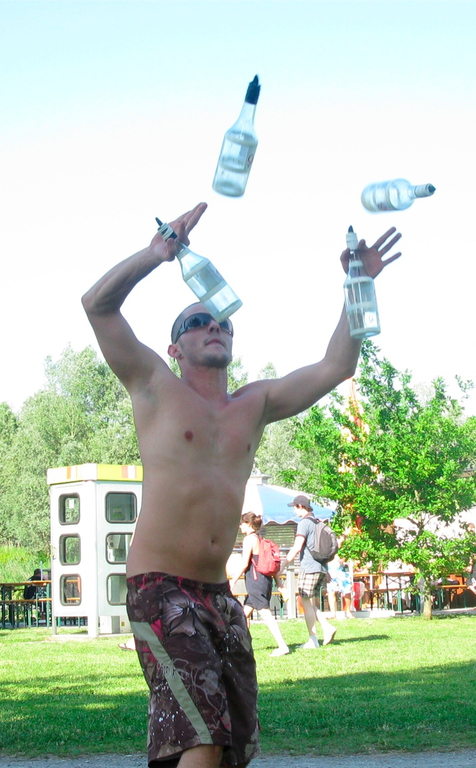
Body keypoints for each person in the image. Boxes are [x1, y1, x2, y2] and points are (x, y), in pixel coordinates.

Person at [82, 201, 401, 767]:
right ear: (175, 348)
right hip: (160, 587)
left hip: (219, 597)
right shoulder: (153, 383)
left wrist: (359, 284)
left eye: (222, 323)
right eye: (197, 323)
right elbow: (96, 305)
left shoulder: (255, 403)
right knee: (203, 736)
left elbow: (336, 366)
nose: (214, 327)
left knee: (233, 746)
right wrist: (157, 254)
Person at [279, 495, 337, 648]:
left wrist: (283, 565)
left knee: (305, 601)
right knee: (309, 602)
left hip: (309, 568)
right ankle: (327, 628)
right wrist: (326, 570)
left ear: (300, 506)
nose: (294, 510)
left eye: (294, 507)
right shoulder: (317, 522)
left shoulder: (304, 523)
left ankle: (313, 639)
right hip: (321, 568)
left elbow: (297, 547)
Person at [229, 512, 289, 657]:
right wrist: (279, 584)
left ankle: (282, 646)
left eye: (242, 523)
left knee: (266, 614)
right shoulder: (260, 538)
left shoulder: (249, 539)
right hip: (264, 581)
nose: (240, 526)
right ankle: (241, 647)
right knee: (243, 615)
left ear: (248, 524)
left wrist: (233, 581)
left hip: (255, 582)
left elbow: (245, 563)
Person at [326, 553, 354, 619]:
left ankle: (348, 612)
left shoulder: (345, 547)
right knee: (331, 591)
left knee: (347, 591)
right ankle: (333, 613)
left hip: (343, 569)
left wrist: (344, 558)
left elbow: (348, 553)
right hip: (331, 569)